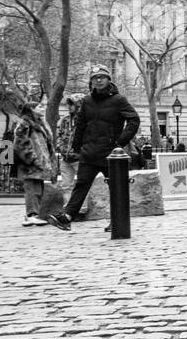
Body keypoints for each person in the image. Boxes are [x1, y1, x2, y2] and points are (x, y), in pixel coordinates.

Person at [47, 65, 139, 231]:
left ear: (108, 79)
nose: (98, 80)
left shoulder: (119, 100)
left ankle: (117, 220)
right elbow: (81, 124)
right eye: (95, 78)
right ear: (91, 82)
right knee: (81, 184)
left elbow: (134, 120)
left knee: (116, 188)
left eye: (102, 77)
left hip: (110, 154)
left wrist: (120, 142)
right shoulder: (87, 101)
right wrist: (76, 146)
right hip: (89, 153)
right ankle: (67, 217)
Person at [9, 99, 55, 226]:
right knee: (31, 189)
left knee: (38, 189)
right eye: (39, 107)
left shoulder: (40, 123)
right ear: (31, 109)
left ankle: (36, 214)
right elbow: (20, 143)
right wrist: (32, 158)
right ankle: (31, 214)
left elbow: (47, 144)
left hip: (40, 163)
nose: (42, 108)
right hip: (29, 164)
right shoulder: (24, 123)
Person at [55, 94, 82, 191]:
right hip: (66, 159)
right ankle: (68, 206)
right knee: (66, 186)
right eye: (68, 104)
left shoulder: (84, 120)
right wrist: (61, 147)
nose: (69, 107)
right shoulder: (65, 119)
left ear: (79, 105)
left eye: (72, 104)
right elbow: (59, 134)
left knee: (82, 186)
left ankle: (83, 207)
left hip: (79, 159)